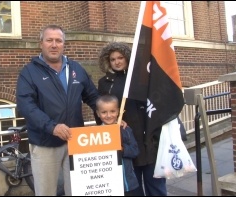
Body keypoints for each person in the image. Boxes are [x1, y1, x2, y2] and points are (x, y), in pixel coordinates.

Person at [16, 24, 100, 196]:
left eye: (58, 41)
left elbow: (93, 97)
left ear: (63, 44)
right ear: (41, 43)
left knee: (78, 191)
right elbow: (26, 105)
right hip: (45, 143)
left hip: (76, 140)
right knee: (46, 192)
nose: (54, 45)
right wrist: (52, 127)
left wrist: (109, 119)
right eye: (49, 40)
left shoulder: (76, 68)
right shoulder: (29, 72)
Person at [96, 42, 168, 196]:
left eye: (120, 57)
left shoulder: (142, 78)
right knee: (132, 190)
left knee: (156, 187)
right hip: (126, 141)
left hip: (149, 139)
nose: (117, 62)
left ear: (127, 58)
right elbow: (103, 111)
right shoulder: (104, 83)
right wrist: (110, 125)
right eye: (113, 59)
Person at [95, 94, 139, 196]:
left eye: (112, 111)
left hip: (126, 181)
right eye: (104, 112)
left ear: (118, 111)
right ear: (98, 113)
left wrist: (122, 149)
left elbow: (135, 150)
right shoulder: (96, 134)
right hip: (107, 183)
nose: (109, 115)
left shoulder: (125, 130)